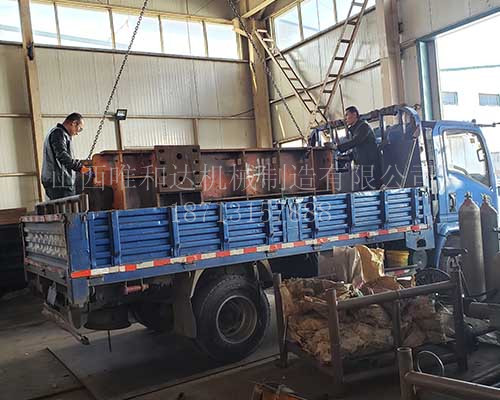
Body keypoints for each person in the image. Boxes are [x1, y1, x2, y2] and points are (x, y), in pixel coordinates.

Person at [41, 113, 88, 200]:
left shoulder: (59, 134)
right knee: (66, 207)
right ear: (74, 123)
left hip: (57, 182)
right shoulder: (59, 133)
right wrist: (81, 168)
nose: (77, 133)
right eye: (79, 129)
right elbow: (62, 155)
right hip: (60, 183)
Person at [337, 106, 382, 190]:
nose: (345, 118)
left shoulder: (363, 127)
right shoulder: (355, 130)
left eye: (347, 115)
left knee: (370, 189)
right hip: (362, 166)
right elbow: (357, 149)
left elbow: (356, 141)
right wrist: (343, 158)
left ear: (354, 115)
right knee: (364, 189)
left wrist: (338, 148)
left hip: (370, 166)